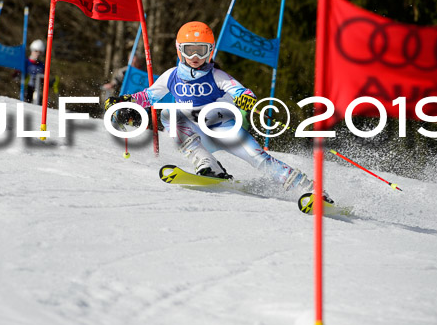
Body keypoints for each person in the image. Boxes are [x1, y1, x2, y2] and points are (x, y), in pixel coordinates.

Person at [104, 21, 328, 198]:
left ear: (210, 50)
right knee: (168, 114)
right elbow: (148, 96)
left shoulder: (216, 75)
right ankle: (208, 165)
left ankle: (309, 189)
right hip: (197, 135)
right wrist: (124, 103)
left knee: (259, 159)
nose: (195, 57)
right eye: (189, 50)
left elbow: (240, 90)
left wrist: (246, 99)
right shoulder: (171, 76)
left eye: (201, 51)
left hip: (224, 130)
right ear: (179, 50)